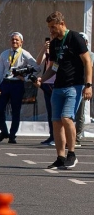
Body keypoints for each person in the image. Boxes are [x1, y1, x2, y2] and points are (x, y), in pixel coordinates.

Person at [36, 11, 93, 170]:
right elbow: (54, 66)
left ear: (62, 24)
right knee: (56, 121)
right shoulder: (54, 43)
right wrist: (43, 78)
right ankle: (60, 157)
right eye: (49, 28)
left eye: (53, 27)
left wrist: (88, 85)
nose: (51, 31)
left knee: (66, 118)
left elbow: (88, 62)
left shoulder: (75, 38)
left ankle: (72, 154)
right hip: (58, 87)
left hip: (74, 86)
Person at [0, 32, 39, 144]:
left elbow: (37, 68)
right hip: (5, 83)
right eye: (13, 40)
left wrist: (25, 77)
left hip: (17, 84)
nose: (14, 41)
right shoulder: (4, 54)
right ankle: (3, 131)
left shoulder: (25, 54)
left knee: (15, 110)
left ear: (21, 42)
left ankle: (12, 135)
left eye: (17, 40)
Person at [36, 36, 55, 146]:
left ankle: (56, 137)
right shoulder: (47, 52)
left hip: (55, 83)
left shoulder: (58, 50)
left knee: (55, 111)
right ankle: (51, 135)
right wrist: (44, 49)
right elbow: (38, 61)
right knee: (49, 111)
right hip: (46, 83)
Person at [74, 32, 91, 144]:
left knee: (80, 112)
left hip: (86, 85)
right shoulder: (73, 54)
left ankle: (77, 137)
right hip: (74, 84)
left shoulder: (90, 55)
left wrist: (88, 85)